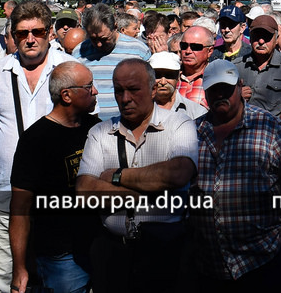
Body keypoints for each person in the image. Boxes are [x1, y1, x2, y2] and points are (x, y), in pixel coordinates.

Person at [0, 0, 79, 293]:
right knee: (4, 278)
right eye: (22, 33)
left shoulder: (70, 70)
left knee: (56, 277)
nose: (30, 39)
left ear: (50, 33)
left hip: (56, 194)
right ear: (13, 35)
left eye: (37, 31)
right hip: (3, 189)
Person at [76, 58, 199, 293]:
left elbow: (178, 173)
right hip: (113, 252)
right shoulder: (101, 132)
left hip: (165, 252)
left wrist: (116, 175)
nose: (125, 99)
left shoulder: (179, 124)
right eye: (119, 91)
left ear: (153, 90)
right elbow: (84, 190)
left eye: (133, 90)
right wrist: (153, 189)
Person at [188, 58, 281, 289]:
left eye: (227, 88)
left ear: (240, 87)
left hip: (262, 259)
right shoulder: (192, 131)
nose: (220, 94)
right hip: (208, 262)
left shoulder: (271, 128)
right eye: (214, 90)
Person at [10, 62, 100, 293]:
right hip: (60, 256)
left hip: (98, 245)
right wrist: (20, 267)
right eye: (89, 86)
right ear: (67, 95)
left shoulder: (96, 128)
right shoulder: (35, 140)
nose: (96, 91)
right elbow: (20, 207)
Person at [76, 3, 152, 115]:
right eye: (93, 39)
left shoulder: (138, 50)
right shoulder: (79, 52)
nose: (99, 44)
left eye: (104, 39)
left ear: (115, 27)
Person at [236, 15, 281, 116]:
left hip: (276, 128)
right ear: (250, 38)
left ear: (276, 40)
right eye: (256, 36)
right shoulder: (236, 67)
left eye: (266, 37)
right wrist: (236, 97)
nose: (261, 41)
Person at [151, 51, 206, 118]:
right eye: (157, 75)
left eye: (169, 75)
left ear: (178, 77)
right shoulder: (139, 108)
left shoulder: (197, 112)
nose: (163, 82)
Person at [177, 25, 216, 108]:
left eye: (195, 47)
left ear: (210, 51)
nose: (188, 51)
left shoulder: (217, 80)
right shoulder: (170, 76)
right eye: (184, 46)